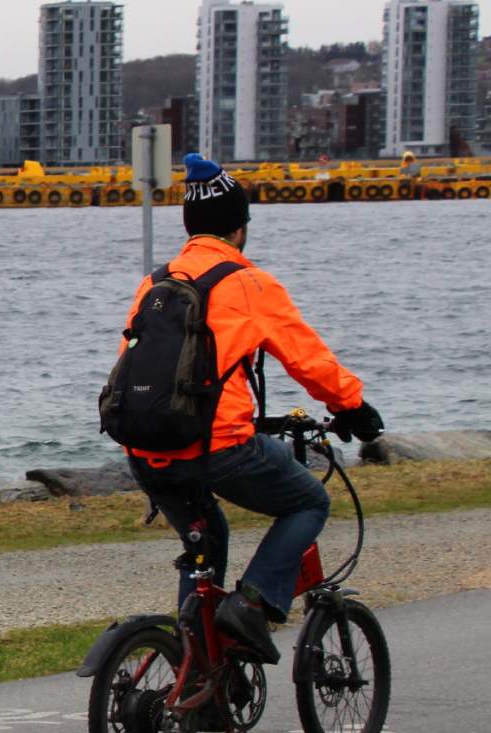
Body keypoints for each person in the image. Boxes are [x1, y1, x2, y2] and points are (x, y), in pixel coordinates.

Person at [120, 154, 384, 663]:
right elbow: (308, 360)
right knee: (309, 502)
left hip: (146, 448)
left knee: (207, 540)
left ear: (190, 227)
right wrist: (352, 406)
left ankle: (195, 666)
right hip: (217, 447)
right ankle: (252, 602)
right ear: (238, 229)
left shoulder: (154, 284)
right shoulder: (248, 283)